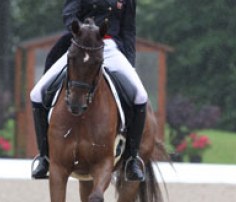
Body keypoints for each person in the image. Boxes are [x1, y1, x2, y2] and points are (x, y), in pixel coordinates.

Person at [30, 0, 148, 181]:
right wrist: (83, 33)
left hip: (110, 48)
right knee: (36, 94)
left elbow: (128, 30)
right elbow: (69, 15)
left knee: (140, 96)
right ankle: (44, 157)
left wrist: (130, 63)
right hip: (81, 45)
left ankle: (132, 158)